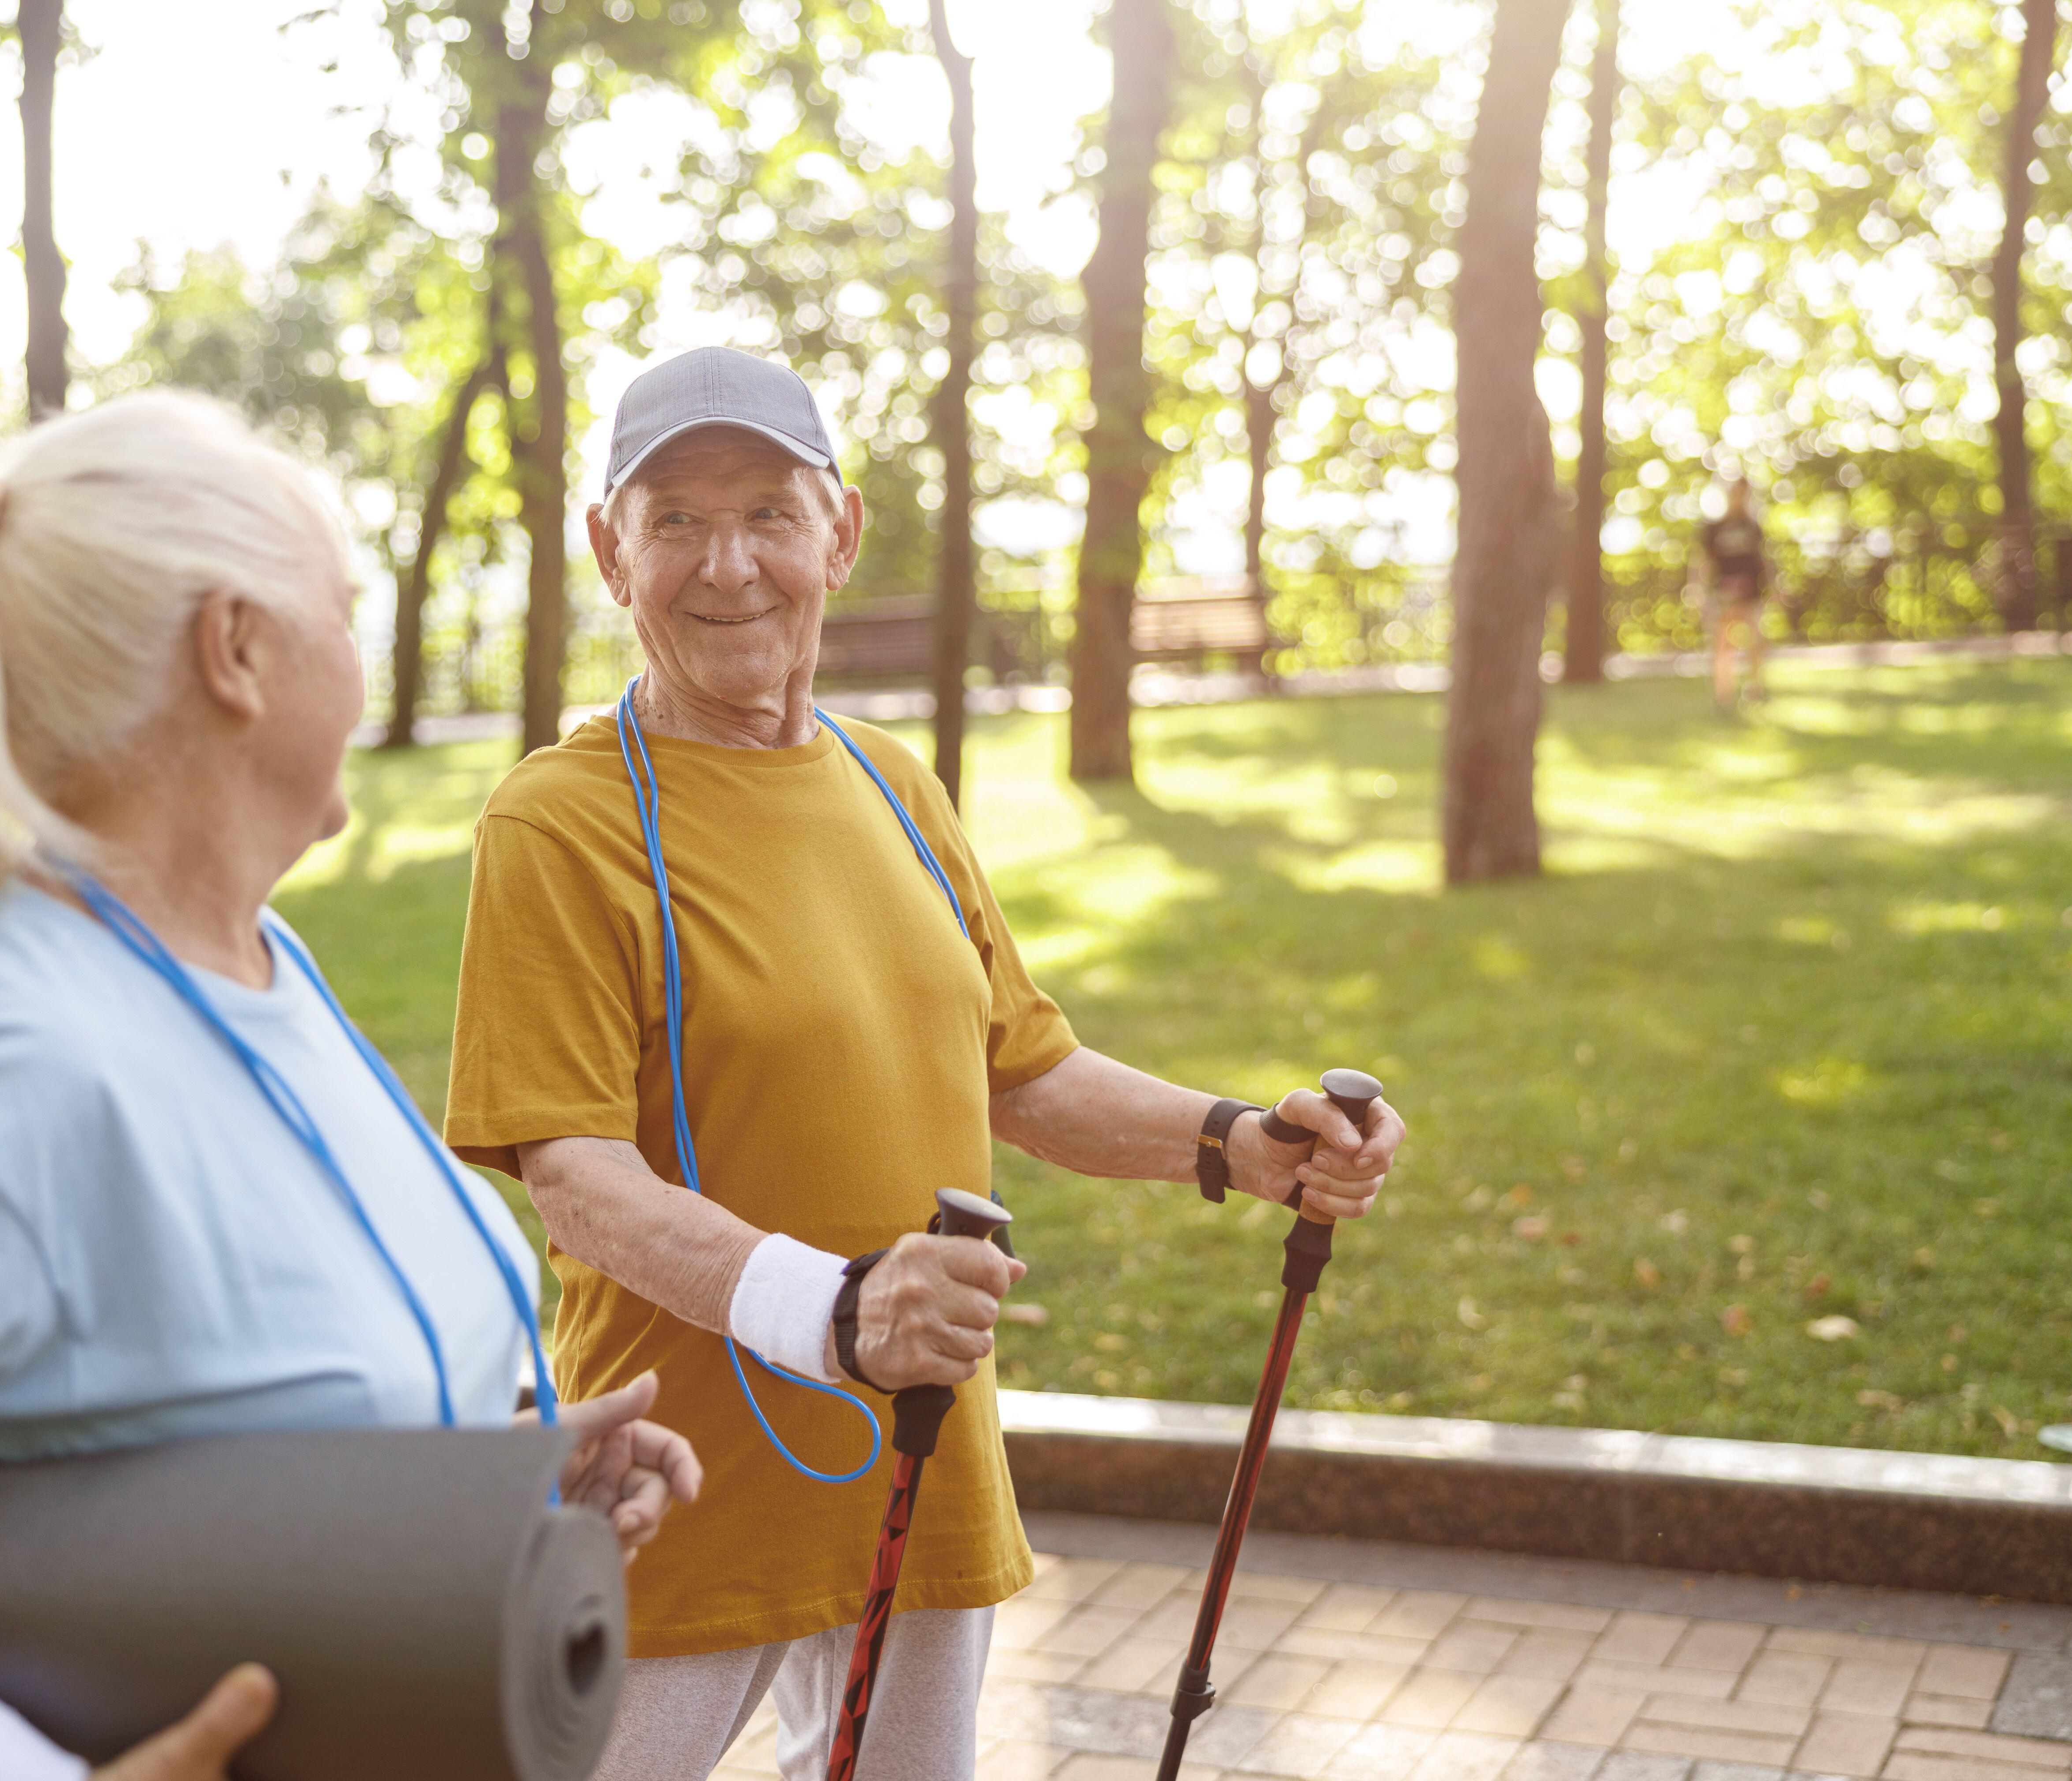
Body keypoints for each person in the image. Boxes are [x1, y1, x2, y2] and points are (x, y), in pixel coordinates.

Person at [0, 393, 700, 1781]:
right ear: (236, 649)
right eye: (344, 614)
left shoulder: (255, 961)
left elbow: (249, 1392)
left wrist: (499, 1469)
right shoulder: (6, 1076)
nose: (368, 669)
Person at [443, 347, 1409, 1781]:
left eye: (769, 513)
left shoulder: (894, 785)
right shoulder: (558, 821)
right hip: (669, 1488)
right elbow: (577, 1183)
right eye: (676, 521)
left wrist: (1236, 1142)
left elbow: (1020, 1071)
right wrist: (834, 1311)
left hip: (914, 1458)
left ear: (837, 532)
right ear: (608, 551)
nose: (728, 566)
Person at [1699, 475, 1775, 712]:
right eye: (1737, 493)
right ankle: (1724, 696)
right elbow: (1704, 563)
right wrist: (1700, 593)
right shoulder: (1715, 528)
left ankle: (1754, 690)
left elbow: (1764, 561)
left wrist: (1775, 587)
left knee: (1757, 640)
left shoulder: (1753, 527)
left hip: (1751, 594)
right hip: (1724, 595)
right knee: (1724, 645)